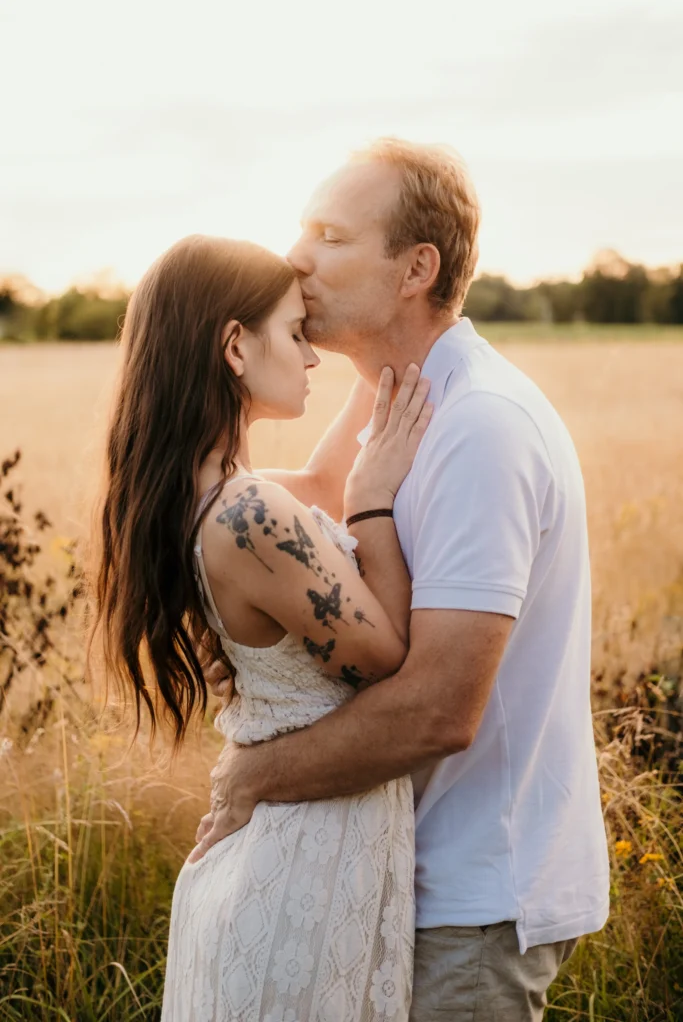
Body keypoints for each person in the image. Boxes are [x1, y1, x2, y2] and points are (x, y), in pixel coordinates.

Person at [197, 138, 611, 1021]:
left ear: (415, 267)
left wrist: (254, 778)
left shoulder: (478, 428)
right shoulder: (391, 387)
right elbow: (307, 503)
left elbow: (438, 708)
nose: (295, 257)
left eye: (329, 235)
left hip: (470, 900)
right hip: (397, 878)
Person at [92, 233, 435, 1021]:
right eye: (293, 333)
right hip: (297, 881)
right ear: (234, 346)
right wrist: (374, 495)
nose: (311, 357)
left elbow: (322, 476)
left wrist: (381, 308)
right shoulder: (251, 513)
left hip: (289, 862)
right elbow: (386, 657)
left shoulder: (203, 494)